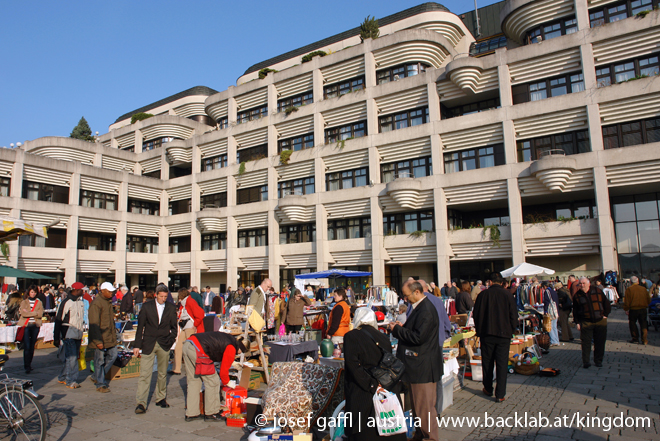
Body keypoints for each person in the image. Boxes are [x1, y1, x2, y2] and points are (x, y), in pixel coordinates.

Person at [389, 281, 442, 441]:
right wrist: (403, 327)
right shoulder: (420, 307)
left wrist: (397, 330)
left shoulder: (426, 309)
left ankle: (429, 437)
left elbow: (418, 337)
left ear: (417, 292)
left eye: (407, 295)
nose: (405, 299)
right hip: (419, 366)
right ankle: (420, 435)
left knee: (424, 408)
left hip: (422, 366)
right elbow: (417, 331)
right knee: (418, 407)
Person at [343, 308, 406, 441]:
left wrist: (372, 385)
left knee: (365, 432)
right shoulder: (383, 337)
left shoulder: (351, 336)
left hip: (364, 393)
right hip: (385, 388)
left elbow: (353, 366)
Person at [473, 273, 518, 403]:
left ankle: (488, 388)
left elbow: (476, 315)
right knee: (502, 363)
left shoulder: (482, 295)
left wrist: (479, 330)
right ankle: (500, 394)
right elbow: (513, 315)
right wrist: (512, 329)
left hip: (487, 333)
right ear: (501, 283)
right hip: (504, 334)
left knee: (487, 362)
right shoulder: (507, 295)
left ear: (490, 282)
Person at [183, 331, 246, 422]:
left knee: (194, 380)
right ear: (240, 348)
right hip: (199, 350)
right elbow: (223, 372)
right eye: (241, 352)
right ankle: (211, 413)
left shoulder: (229, 339)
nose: (239, 354)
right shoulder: (232, 348)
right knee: (213, 381)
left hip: (188, 344)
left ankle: (191, 413)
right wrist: (227, 382)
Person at [134, 284, 178, 414]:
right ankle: (141, 402)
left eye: (165, 296)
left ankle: (161, 398)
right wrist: (137, 345)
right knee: (145, 374)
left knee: (162, 373)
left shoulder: (170, 307)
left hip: (164, 343)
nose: (163, 299)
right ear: (156, 295)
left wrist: (170, 341)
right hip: (148, 343)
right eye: (161, 296)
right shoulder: (147, 307)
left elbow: (174, 327)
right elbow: (140, 326)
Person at [573, 277, 611, 368]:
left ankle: (598, 360)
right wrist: (577, 322)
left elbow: (606, 303)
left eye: (584, 283)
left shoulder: (597, 291)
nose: (582, 285)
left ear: (588, 283)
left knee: (600, 342)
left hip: (600, 320)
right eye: (580, 284)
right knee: (586, 342)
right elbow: (575, 310)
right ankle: (586, 361)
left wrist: (605, 314)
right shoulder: (577, 295)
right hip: (586, 322)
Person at [88, 282, 119, 393]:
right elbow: (94, 323)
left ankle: (97, 375)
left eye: (112, 291)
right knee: (99, 360)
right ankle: (100, 384)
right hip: (100, 337)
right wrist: (97, 340)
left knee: (113, 355)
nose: (112, 293)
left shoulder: (108, 302)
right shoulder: (96, 303)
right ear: (102, 291)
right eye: (109, 291)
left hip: (109, 336)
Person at [54, 287, 85, 389]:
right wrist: (56, 337)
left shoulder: (80, 302)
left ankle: (62, 377)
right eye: (82, 290)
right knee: (72, 358)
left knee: (71, 357)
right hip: (68, 333)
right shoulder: (66, 302)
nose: (83, 291)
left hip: (78, 332)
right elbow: (59, 319)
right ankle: (71, 380)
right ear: (76, 290)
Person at [170, 288, 206, 375]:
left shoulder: (190, 302)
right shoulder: (185, 303)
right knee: (179, 347)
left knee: (190, 349)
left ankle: (192, 368)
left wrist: (195, 325)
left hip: (190, 327)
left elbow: (200, 314)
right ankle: (177, 368)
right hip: (186, 326)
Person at [19, 286, 44, 374]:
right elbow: (22, 313)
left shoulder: (39, 302)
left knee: (32, 345)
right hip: (26, 325)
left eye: (34, 292)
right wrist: (34, 313)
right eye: (31, 292)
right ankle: (26, 366)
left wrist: (29, 313)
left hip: (35, 325)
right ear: (28, 292)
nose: (33, 293)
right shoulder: (24, 302)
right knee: (27, 345)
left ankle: (29, 364)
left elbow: (40, 314)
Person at [623, 276, 650, 345]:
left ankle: (635, 338)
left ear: (631, 282)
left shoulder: (629, 289)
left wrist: (626, 309)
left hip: (633, 309)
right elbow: (648, 299)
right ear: (638, 281)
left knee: (632, 323)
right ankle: (644, 340)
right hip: (643, 309)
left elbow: (627, 301)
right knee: (643, 324)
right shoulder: (643, 289)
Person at [543, 282, 560, 347]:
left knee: (549, 326)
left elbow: (546, 301)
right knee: (554, 327)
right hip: (556, 310)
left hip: (551, 311)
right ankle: (557, 341)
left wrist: (545, 310)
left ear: (545, 286)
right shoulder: (554, 291)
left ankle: (553, 341)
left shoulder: (547, 291)